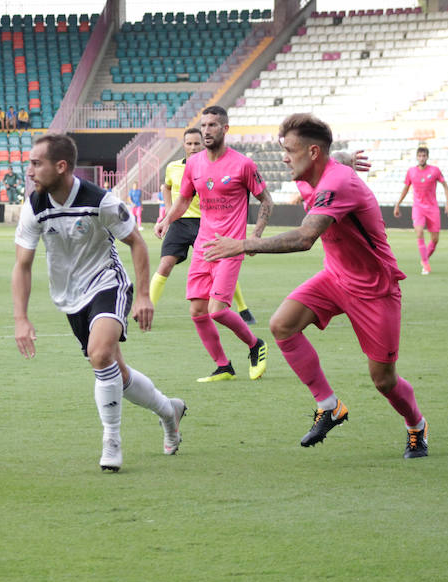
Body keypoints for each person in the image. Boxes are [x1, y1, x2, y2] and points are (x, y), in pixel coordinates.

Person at [203, 112, 429, 459]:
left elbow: (306, 237)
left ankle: (416, 425)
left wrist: (243, 243)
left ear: (311, 153)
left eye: (290, 150)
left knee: (384, 381)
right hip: (335, 277)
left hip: (374, 290)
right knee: (282, 326)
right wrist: (345, 157)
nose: (284, 157)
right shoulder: (317, 168)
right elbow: (334, 158)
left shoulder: (337, 184)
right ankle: (330, 406)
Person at [12, 134, 187, 472]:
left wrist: (146, 297)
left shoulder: (100, 201)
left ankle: (111, 440)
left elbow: (136, 242)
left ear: (60, 166)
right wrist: (21, 317)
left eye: (36, 163)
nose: (29, 170)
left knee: (100, 354)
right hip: (70, 297)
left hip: (107, 282)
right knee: (115, 372)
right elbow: (22, 265)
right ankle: (169, 411)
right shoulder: (34, 206)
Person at [155, 107, 272, 383]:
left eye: (213, 125)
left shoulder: (243, 164)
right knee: (197, 311)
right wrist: (166, 220)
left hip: (230, 247)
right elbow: (183, 200)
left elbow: (266, 200)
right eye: (204, 125)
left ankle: (256, 345)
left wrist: (253, 237)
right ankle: (223, 366)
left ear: (225, 129)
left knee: (217, 310)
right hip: (203, 246)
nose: (207, 130)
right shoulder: (194, 164)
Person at [151, 128, 255, 324]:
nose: (192, 147)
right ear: (183, 145)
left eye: (196, 143)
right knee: (165, 264)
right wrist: (167, 213)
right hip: (180, 223)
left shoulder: (210, 167)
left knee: (221, 267)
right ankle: (147, 309)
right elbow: (167, 187)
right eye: (189, 143)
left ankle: (243, 308)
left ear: (203, 144)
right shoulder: (173, 167)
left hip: (206, 224)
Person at [394, 146, 448, 275]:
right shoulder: (411, 172)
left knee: (435, 239)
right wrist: (398, 204)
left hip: (432, 208)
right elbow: (405, 188)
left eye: (423, 156)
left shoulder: (435, 171)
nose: (421, 158)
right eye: (419, 156)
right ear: (416, 157)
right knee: (419, 232)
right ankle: (425, 264)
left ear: (427, 157)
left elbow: (445, 186)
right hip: (418, 208)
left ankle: (424, 259)